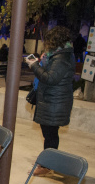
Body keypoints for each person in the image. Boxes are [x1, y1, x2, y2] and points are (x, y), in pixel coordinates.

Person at [25, 26, 76, 176]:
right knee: (50, 133)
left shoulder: (61, 58)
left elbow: (50, 78)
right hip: (52, 100)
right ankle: (49, 162)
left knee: (50, 134)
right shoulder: (58, 55)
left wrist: (34, 66)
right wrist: (43, 61)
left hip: (55, 102)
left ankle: (46, 165)